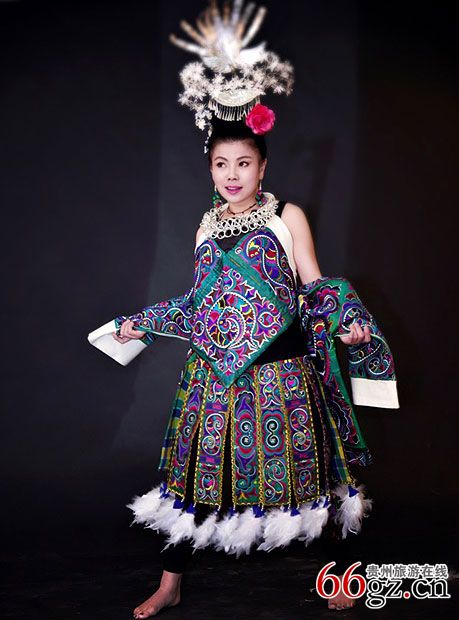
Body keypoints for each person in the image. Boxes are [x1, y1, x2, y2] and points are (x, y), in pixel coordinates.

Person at [87, 2, 399, 617]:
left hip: (282, 374)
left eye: (244, 164)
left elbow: (314, 285)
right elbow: (201, 306)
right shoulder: (205, 226)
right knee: (194, 480)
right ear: (210, 169)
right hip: (213, 378)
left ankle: (341, 575)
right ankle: (171, 583)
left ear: (263, 166)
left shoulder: (287, 217)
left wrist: (349, 324)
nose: (232, 175)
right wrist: (139, 325)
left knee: (310, 476)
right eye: (221, 164)